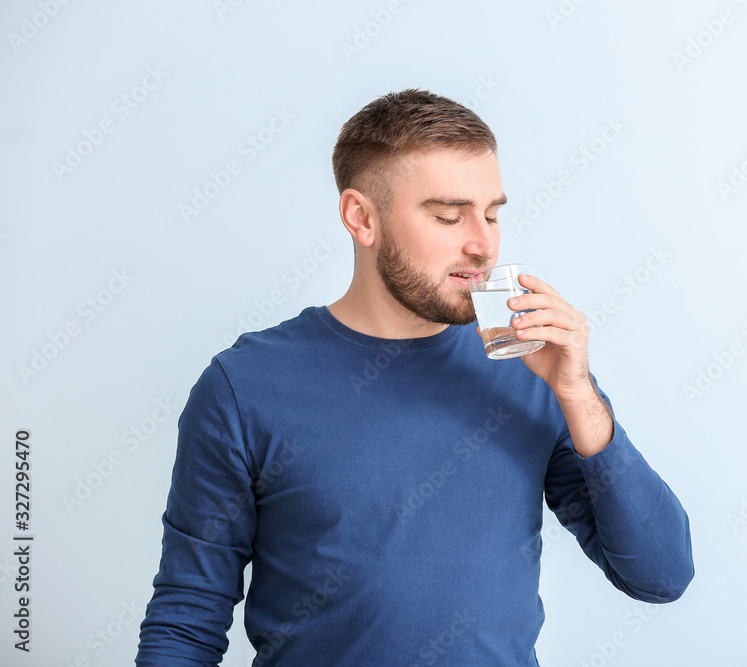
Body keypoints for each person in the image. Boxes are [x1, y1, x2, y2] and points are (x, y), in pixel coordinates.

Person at [135, 89, 693, 667]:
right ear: (361, 218)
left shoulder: (531, 371)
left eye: (493, 213)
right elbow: (187, 620)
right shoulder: (244, 386)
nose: (483, 244)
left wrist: (578, 394)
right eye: (448, 216)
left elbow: (661, 575)